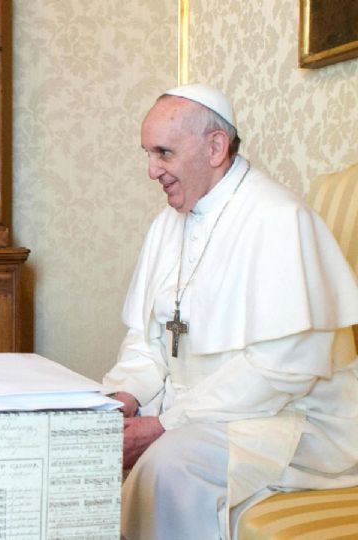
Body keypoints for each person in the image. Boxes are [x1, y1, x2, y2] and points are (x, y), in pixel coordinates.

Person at [103, 83, 358, 539]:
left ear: (215, 147)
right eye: (148, 153)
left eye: (163, 153)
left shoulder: (280, 219)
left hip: (291, 419)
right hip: (205, 409)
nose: (151, 170)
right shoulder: (167, 224)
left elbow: (280, 372)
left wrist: (165, 424)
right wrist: (127, 396)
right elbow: (148, 338)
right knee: (97, 440)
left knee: (170, 463)